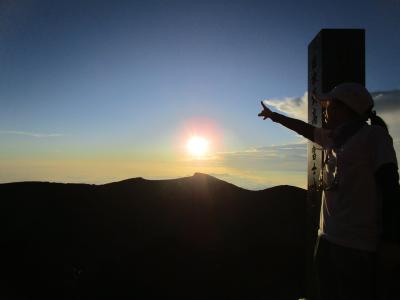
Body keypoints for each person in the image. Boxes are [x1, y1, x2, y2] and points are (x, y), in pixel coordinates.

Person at [257, 82, 400, 300]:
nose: (325, 112)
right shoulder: (332, 138)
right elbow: (303, 128)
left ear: (347, 108)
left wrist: (390, 240)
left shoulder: (374, 137)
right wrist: (274, 116)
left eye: (330, 106)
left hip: (357, 246)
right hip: (326, 238)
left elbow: (390, 186)